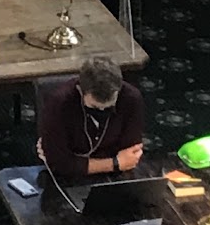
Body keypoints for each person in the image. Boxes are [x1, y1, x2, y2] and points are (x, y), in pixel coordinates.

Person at [35, 54, 145, 182]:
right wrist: (114, 163)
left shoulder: (131, 98)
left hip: (115, 177)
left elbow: (131, 155)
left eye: (109, 106)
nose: (102, 111)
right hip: (66, 179)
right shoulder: (59, 103)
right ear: (80, 90)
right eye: (94, 107)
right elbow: (59, 163)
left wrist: (79, 162)